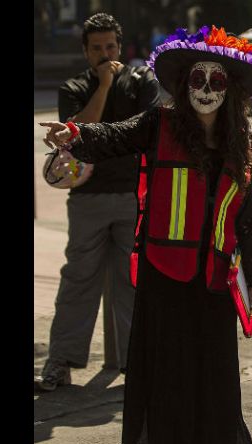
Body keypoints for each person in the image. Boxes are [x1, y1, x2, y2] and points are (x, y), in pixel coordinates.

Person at [40, 24, 252, 444]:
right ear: (184, 86)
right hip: (165, 280)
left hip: (214, 283)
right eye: (197, 80)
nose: (206, 90)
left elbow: (247, 216)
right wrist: (73, 134)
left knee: (211, 377)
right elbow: (114, 136)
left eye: (217, 82)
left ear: (230, 92)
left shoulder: (239, 142)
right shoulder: (160, 124)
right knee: (174, 377)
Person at [36, 12, 162, 392]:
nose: (105, 54)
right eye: (97, 49)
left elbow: (148, 127)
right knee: (78, 280)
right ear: (85, 51)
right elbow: (74, 134)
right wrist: (104, 86)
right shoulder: (74, 87)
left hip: (132, 196)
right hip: (88, 198)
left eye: (110, 46)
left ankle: (135, 363)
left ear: (120, 47)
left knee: (132, 282)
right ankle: (61, 361)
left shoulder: (141, 82)